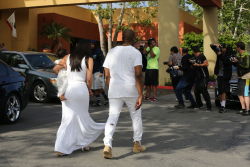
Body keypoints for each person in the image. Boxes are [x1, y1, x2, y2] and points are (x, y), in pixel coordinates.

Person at [53, 41, 105, 156]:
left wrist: (63, 66)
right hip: (81, 89)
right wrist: (89, 89)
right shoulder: (88, 59)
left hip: (68, 89)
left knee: (67, 118)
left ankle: (60, 147)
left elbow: (55, 69)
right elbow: (89, 78)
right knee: (82, 116)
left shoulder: (67, 57)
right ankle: (84, 143)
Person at [102, 29, 145, 159]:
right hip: (131, 89)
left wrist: (112, 87)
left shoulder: (111, 52)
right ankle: (137, 144)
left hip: (115, 89)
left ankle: (107, 145)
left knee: (112, 117)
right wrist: (140, 93)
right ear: (133, 39)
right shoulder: (136, 53)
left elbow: (107, 75)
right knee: (136, 116)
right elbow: (138, 74)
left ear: (123, 38)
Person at [210, 44, 233, 113]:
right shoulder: (219, 52)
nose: (222, 49)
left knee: (223, 91)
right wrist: (216, 45)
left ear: (226, 49)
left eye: (223, 48)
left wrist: (220, 54)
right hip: (219, 75)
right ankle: (221, 105)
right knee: (220, 91)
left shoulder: (229, 55)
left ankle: (223, 106)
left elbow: (225, 61)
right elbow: (211, 46)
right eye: (221, 48)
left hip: (225, 76)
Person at [232, 42, 250, 115]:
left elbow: (247, 66)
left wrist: (238, 61)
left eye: (236, 47)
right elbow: (238, 65)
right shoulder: (238, 55)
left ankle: (248, 110)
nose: (235, 48)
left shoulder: (247, 55)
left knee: (246, 93)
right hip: (240, 76)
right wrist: (234, 62)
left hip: (246, 76)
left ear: (239, 47)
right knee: (240, 94)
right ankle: (243, 108)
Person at [192, 47, 212, 111]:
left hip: (204, 77)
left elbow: (206, 64)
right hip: (198, 77)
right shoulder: (195, 57)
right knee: (196, 91)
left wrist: (199, 65)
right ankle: (199, 104)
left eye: (194, 53)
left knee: (204, 91)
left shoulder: (202, 56)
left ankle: (209, 107)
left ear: (196, 52)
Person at [91, 41, 108, 106]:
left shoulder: (98, 51)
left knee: (99, 87)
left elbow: (102, 61)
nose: (91, 45)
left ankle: (105, 98)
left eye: (92, 44)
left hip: (98, 71)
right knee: (94, 88)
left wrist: (101, 71)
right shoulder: (90, 52)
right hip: (92, 72)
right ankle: (98, 101)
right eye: (90, 44)